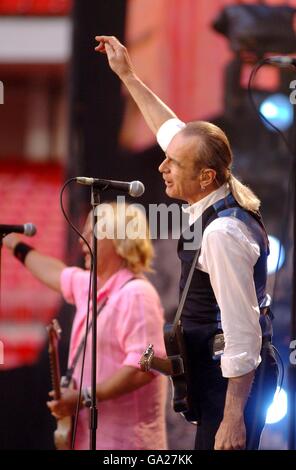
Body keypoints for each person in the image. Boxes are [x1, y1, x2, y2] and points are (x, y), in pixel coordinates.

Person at [94, 35, 279, 451]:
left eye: (173, 164)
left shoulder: (222, 234)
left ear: (205, 177)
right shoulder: (213, 187)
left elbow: (243, 335)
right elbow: (169, 129)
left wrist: (232, 421)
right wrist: (128, 74)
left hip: (229, 395)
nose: (162, 166)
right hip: (215, 384)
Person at [3, 202, 168, 450]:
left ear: (120, 240)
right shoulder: (92, 286)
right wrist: (13, 243)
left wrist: (84, 397)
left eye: (93, 234)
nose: (83, 241)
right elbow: (56, 273)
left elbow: (142, 368)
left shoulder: (136, 294)